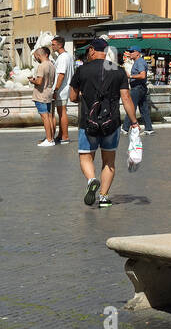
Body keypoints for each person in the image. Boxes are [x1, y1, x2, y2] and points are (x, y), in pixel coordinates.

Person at [68, 37, 140, 209]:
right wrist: (134, 122)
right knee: (109, 161)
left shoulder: (82, 70)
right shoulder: (118, 70)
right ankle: (104, 197)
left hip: (88, 121)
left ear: (92, 50)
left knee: (86, 156)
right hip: (111, 122)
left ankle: (92, 180)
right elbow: (126, 97)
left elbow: (72, 97)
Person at [31, 46, 59, 147]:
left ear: (39, 55)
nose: (35, 59)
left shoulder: (42, 66)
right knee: (50, 117)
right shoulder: (51, 65)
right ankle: (51, 138)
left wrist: (32, 80)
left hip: (41, 94)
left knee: (45, 117)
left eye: (35, 57)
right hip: (48, 93)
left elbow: (39, 81)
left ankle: (48, 139)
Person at [50, 35, 74, 146]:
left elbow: (61, 75)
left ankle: (65, 136)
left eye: (53, 44)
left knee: (62, 113)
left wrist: (55, 90)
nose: (52, 46)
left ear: (60, 45)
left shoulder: (63, 57)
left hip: (61, 90)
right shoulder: (67, 56)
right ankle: (61, 134)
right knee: (61, 113)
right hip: (64, 89)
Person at [125, 46, 155, 135]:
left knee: (131, 107)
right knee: (144, 109)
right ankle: (149, 129)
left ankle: (125, 128)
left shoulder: (139, 62)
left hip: (137, 88)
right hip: (140, 88)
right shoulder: (138, 62)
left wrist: (130, 76)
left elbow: (142, 75)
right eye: (129, 52)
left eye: (132, 52)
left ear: (138, 53)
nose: (130, 53)